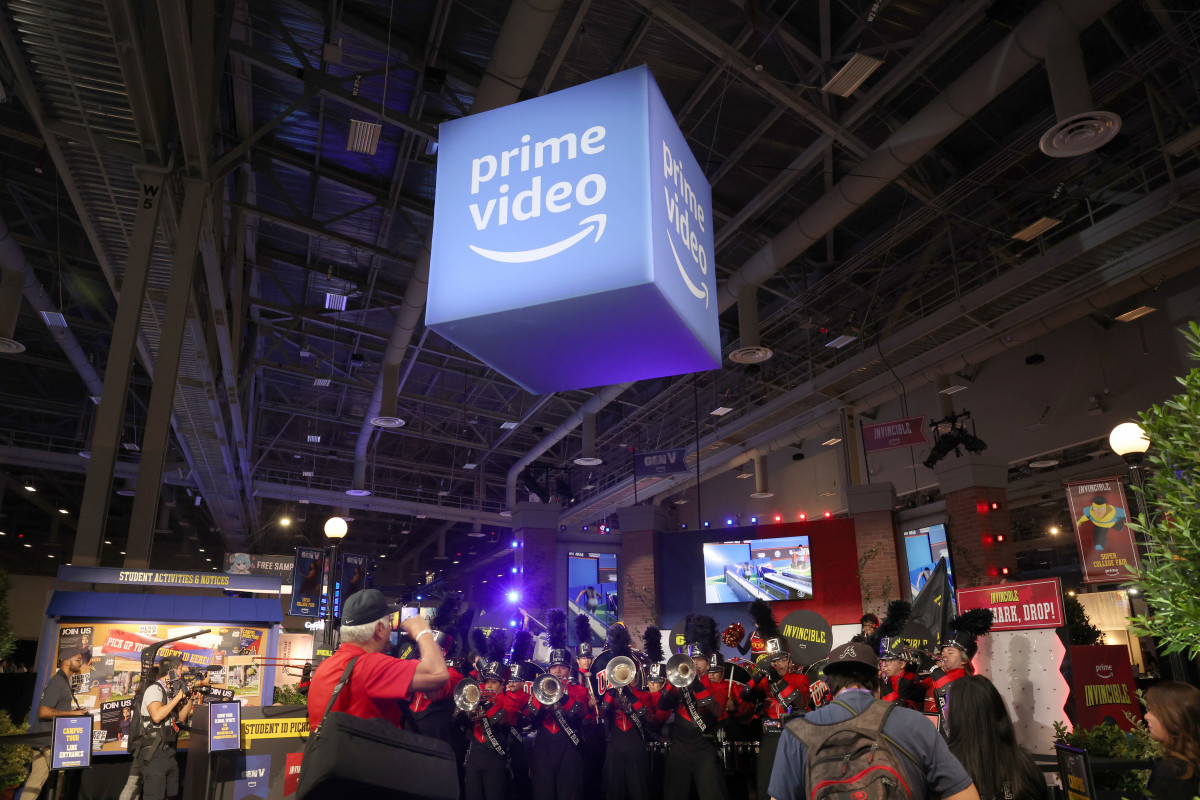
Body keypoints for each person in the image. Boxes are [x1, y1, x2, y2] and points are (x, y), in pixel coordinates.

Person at [768, 641, 980, 800]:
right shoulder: (916, 724)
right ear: (877, 678)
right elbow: (965, 795)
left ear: (829, 684)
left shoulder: (797, 732)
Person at [307, 588, 449, 731]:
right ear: (379, 629)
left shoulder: (325, 666)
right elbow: (437, 673)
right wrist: (423, 633)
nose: (390, 628)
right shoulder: (370, 666)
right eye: (389, 622)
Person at [659, 615, 727, 800]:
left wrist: (695, 682)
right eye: (693, 658)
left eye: (700, 659)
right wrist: (673, 682)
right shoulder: (679, 682)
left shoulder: (717, 686)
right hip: (679, 750)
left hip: (704, 751)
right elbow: (663, 705)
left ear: (708, 662)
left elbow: (716, 710)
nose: (695, 663)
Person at [945, 676, 1044, 800]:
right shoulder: (1026, 767)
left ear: (958, 715)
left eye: (948, 702)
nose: (945, 708)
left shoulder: (945, 770)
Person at [529, 608, 590, 800]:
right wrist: (542, 697)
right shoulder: (540, 689)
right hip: (543, 747)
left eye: (562, 667)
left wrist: (561, 696)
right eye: (554, 667)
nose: (557, 671)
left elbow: (580, 714)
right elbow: (529, 718)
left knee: (569, 793)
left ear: (569, 670)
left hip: (569, 748)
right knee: (543, 793)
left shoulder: (578, 690)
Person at [19, 649, 85, 800]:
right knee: (59, 774)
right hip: (48, 740)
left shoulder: (62, 681)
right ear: (67, 661)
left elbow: (53, 709)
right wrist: (72, 714)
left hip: (44, 739)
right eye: (78, 660)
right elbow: (44, 712)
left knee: (35, 782)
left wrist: (73, 711)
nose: (81, 663)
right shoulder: (58, 682)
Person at [136, 656, 205, 800]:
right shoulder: (154, 689)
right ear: (171, 670)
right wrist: (178, 697)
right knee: (155, 795)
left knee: (171, 793)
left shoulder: (170, 691)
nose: (182, 673)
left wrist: (190, 699)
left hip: (169, 750)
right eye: (180, 669)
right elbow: (157, 716)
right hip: (154, 750)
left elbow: (181, 717)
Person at [928, 609, 993, 735]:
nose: (944, 655)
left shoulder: (967, 683)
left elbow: (948, 692)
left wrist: (933, 669)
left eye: (950, 652)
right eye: (943, 652)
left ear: (963, 660)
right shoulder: (935, 676)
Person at [1144, 682, 1200, 800]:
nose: (1146, 716)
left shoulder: (1172, 771)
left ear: (1173, 716)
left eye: (1152, 710)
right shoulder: (1187, 763)